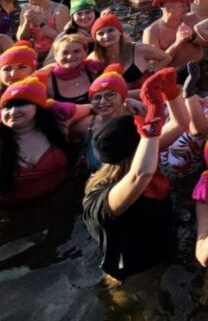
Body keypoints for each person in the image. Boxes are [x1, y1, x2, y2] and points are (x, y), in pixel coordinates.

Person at [82, 69, 181, 280]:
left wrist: (171, 93)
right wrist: (153, 116)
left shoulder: (143, 163)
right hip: (132, 275)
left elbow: (181, 125)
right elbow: (139, 175)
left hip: (164, 250)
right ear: (137, 149)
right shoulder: (102, 198)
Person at [0, 76, 74, 205]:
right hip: (11, 211)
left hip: (60, 201)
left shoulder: (58, 126)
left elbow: (93, 109)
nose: (12, 111)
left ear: (38, 107)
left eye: (20, 104)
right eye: (7, 106)